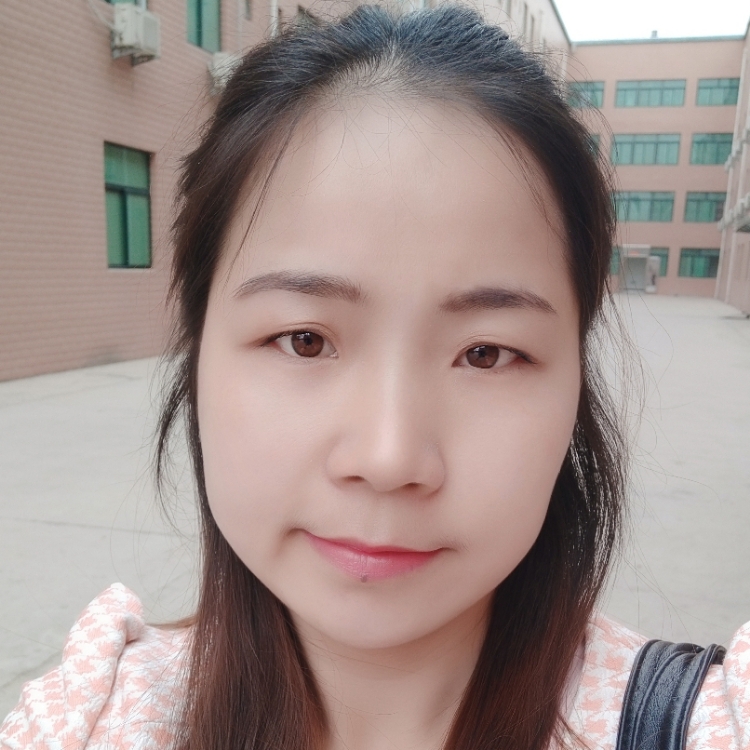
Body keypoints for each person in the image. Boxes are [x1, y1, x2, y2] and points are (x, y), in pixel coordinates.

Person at [1, 6, 748, 750]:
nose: (388, 459)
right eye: (304, 340)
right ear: (198, 356)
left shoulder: (703, 725)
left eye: (486, 353)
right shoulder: (92, 724)